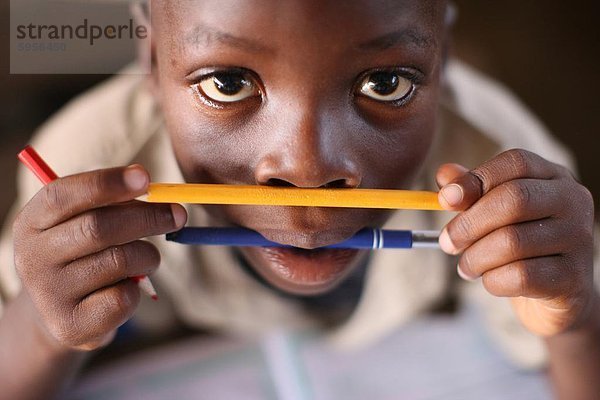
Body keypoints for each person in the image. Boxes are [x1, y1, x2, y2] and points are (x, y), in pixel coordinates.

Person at [0, 1, 598, 399]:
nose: (308, 168)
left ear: (442, 52)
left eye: (385, 83)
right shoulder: (79, 170)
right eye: (227, 83)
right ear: (151, 59)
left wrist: (574, 321)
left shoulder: (503, 169)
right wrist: (43, 328)